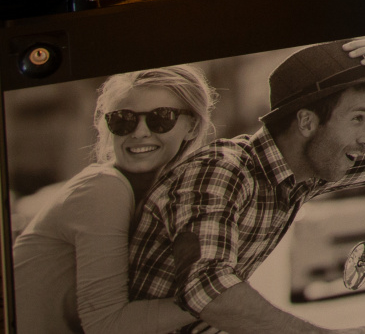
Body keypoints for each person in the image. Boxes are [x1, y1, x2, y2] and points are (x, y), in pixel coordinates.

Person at [125, 37, 365, 334]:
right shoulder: (223, 169)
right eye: (358, 118)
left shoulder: (304, 174)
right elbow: (206, 287)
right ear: (306, 122)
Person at [10, 66, 215, 334]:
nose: (139, 132)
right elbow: (106, 325)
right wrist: (215, 303)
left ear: (193, 126)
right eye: (123, 120)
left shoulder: (162, 197)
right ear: (106, 125)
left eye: (161, 118)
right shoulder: (105, 188)